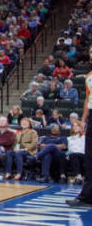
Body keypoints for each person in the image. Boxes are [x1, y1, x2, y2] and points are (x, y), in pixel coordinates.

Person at [67, 46, 92, 207]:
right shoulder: (89, 75)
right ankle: (87, 196)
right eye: (91, 52)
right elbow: (88, 99)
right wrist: (83, 120)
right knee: (90, 159)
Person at [67, 120, 85, 185]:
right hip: (74, 156)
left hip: (84, 156)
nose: (74, 127)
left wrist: (82, 133)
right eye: (73, 126)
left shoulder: (85, 137)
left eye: (77, 126)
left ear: (81, 127)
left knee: (73, 155)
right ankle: (78, 177)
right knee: (71, 155)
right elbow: (70, 149)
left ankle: (78, 177)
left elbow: (83, 149)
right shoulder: (69, 138)